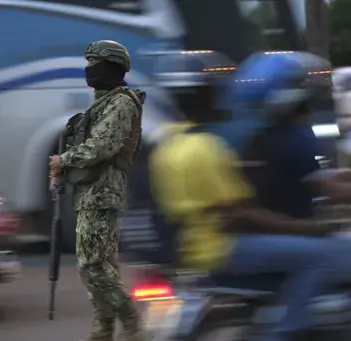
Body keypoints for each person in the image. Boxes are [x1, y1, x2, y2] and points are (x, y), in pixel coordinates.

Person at [149, 51, 351, 341]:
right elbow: (243, 212)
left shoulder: (167, 144)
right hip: (220, 248)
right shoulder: (206, 147)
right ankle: (282, 332)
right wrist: (311, 229)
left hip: (192, 245)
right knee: (321, 257)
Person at [49, 40, 146, 341]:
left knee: (92, 267)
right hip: (90, 193)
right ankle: (102, 331)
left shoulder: (122, 103)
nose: (89, 69)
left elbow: (104, 146)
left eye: (95, 63)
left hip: (103, 193)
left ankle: (132, 323)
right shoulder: (102, 103)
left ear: (112, 67)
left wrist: (62, 160)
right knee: (102, 268)